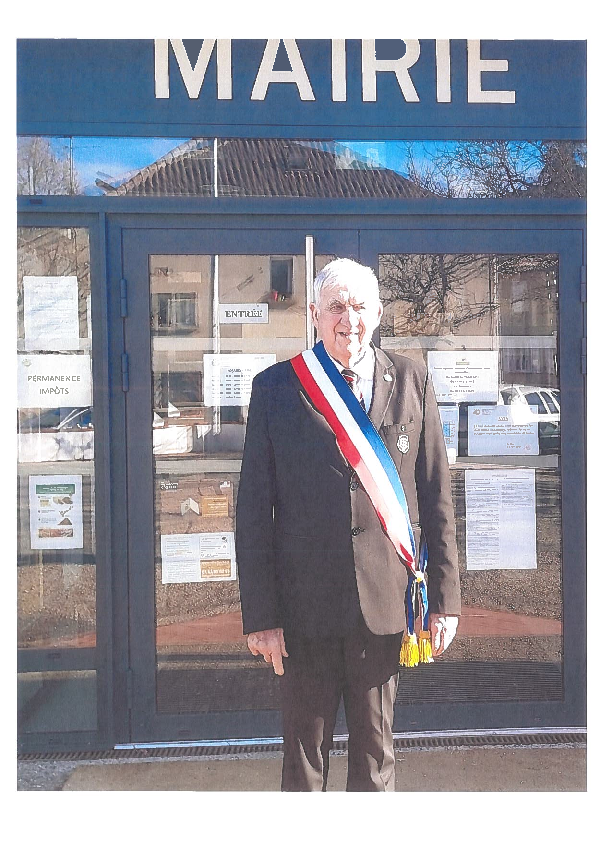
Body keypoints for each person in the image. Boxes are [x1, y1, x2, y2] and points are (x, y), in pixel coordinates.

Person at [236, 258, 461, 792]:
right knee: (303, 767)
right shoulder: (276, 388)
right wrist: (261, 616)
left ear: (378, 313)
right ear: (315, 315)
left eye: (359, 306)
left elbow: (436, 496)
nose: (348, 319)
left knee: (375, 764)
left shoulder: (412, 379)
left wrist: (445, 599)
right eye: (336, 306)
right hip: (302, 613)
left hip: (383, 608)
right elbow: (254, 513)